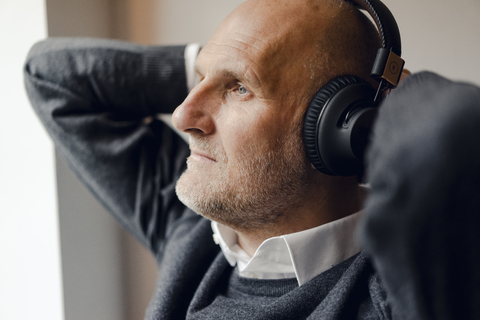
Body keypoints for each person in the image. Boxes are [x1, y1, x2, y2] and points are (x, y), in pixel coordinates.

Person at [24, 0, 480, 318]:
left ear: (332, 125)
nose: (183, 114)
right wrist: (216, 65)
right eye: (198, 81)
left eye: (239, 88)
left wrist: (376, 106)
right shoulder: (195, 235)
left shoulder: (402, 289)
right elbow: (50, 76)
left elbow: (451, 133)